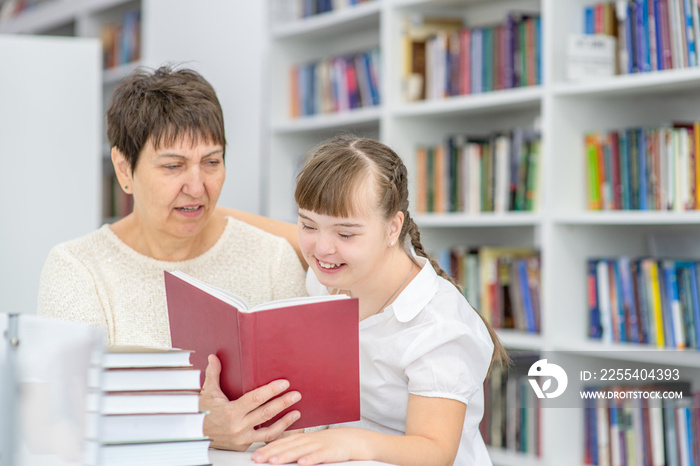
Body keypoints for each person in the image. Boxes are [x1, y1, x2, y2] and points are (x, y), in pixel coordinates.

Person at [36, 65, 307, 451]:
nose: (197, 187)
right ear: (124, 169)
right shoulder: (78, 267)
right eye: (173, 166)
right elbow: (65, 419)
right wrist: (195, 423)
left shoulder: (271, 256)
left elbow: (308, 416)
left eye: (212, 162)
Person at [250, 135, 509, 466]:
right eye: (308, 224)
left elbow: (435, 451)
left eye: (346, 234)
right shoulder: (329, 274)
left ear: (392, 229)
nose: (322, 248)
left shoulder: (439, 325)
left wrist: (350, 441)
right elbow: (279, 233)